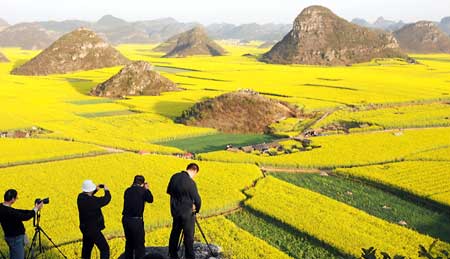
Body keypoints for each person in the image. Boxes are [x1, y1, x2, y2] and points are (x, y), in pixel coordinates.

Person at [167, 163, 201, 259]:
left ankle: (172, 254)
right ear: (194, 170)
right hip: (187, 213)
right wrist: (196, 209)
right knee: (188, 236)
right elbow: (197, 200)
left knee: (175, 233)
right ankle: (189, 256)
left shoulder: (174, 177)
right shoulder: (190, 182)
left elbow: (169, 191)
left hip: (175, 211)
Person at [0, 189, 43, 259]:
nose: (16, 199)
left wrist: (33, 210)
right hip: (15, 239)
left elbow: (19, 211)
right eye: (16, 198)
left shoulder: (2, 207)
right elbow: (25, 217)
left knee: (14, 255)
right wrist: (36, 209)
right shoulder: (10, 212)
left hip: (10, 236)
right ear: (12, 199)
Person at [77, 180, 111, 259]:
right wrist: (106, 190)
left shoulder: (80, 197)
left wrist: (96, 190)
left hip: (85, 229)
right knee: (105, 249)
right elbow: (106, 199)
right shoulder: (92, 201)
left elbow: (88, 195)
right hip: (93, 230)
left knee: (86, 250)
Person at [122, 175, 154, 259]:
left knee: (129, 243)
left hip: (126, 219)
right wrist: (146, 189)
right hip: (136, 221)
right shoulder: (143, 191)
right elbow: (150, 199)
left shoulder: (127, 190)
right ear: (143, 183)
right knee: (139, 244)